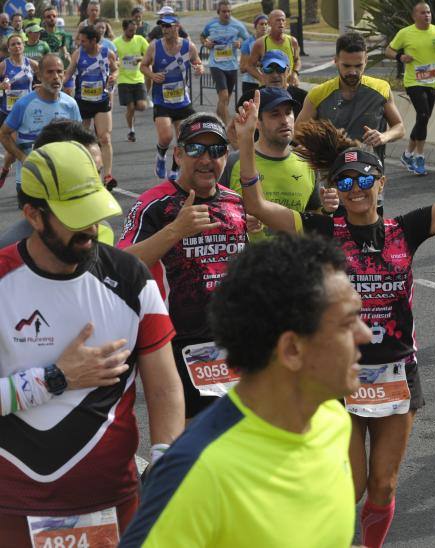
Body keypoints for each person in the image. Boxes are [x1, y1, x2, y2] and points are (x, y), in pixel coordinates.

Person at [237, 82, 435, 548]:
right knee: (349, 487)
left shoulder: (405, 229)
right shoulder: (321, 229)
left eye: (363, 180)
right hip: (340, 374)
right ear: (336, 188)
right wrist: (246, 147)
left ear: (381, 183)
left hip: (396, 373)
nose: (354, 190)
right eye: (344, 183)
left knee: (384, 486)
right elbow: (255, 206)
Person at [119, 234, 367, 547]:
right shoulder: (198, 470)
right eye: (347, 324)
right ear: (291, 349)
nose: (366, 334)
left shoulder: (332, 420)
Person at [0, 140, 184, 545]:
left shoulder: (132, 277)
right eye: (74, 217)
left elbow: (164, 385)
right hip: (13, 511)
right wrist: (53, 379)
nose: (89, 228)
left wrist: (166, 462)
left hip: (114, 504)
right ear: (33, 214)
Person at [118, 113, 249, 420]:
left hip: (233, 343)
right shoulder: (154, 204)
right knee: (188, 450)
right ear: (177, 154)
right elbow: (120, 266)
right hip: (177, 345)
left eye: (216, 150)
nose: (207, 159)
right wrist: (174, 231)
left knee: (234, 446)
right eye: (196, 150)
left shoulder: (234, 203)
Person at [221, 87, 335, 243]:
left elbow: (311, 218)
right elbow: (215, 211)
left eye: (288, 112)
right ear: (257, 122)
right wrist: (239, 221)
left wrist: (326, 210)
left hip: (295, 261)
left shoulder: (308, 163)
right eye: (275, 114)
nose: (284, 120)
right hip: (247, 263)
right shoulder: (233, 162)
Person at [0, 118, 112, 248]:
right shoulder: (8, 255)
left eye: (98, 172)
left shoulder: (105, 231)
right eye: (83, 173)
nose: (98, 184)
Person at [298, 32, 404, 168]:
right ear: (336, 60)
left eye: (358, 66)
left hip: (370, 175)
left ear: (366, 60)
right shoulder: (318, 94)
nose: (353, 72)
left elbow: (399, 127)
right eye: (346, 66)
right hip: (332, 177)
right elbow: (298, 134)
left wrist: (383, 137)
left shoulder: (381, 89)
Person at [385, 2, 435, 176]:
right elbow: (389, 50)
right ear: (414, 16)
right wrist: (401, 56)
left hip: (432, 83)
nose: (427, 15)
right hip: (413, 82)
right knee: (422, 115)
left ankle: (407, 154)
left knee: (423, 119)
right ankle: (419, 157)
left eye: (429, 12)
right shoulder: (405, 33)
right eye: (423, 13)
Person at [0, 54, 80, 191]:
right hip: (30, 179)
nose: (56, 76)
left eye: (59, 71)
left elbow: (79, 138)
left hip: (61, 178)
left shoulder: (70, 104)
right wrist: (23, 157)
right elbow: (3, 134)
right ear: (40, 76)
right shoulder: (24, 104)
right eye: (50, 72)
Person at [140, 12, 203, 181]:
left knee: (183, 138)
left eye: (168, 25)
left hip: (182, 100)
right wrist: (152, 76)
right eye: (162, 26)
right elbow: (143, 66)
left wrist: (199, 69)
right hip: (162, 100)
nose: (164, 29)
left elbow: (198, 63)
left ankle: (176, 167)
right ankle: (161, 156)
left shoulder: (189, 46)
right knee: (166, 136)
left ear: (177, 26)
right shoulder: (154, 46)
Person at [66, 25, 118, 190]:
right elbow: (68, 73)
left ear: (93, 40)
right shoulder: (78, 54)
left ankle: (107, 176)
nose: (80, 44)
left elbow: (116, 69)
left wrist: (113, 77)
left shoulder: (106, 53)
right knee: (81, 140)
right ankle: (86, 172)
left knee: (105, 138)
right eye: (79, 41)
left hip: (101, 101)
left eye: (83, 41)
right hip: (83, 101)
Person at [200, 0, 248, 125]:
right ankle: (227, 127)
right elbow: (202, 36)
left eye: (229, 11)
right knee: (224, 96)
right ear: (218, 12)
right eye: (224, 12)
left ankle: (215, 119)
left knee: (225, 100)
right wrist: (206, 43)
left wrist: (240, 44)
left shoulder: (238, 25)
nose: (227, 14)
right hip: (216, 65)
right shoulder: (211, 25)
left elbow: (248, 40)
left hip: (232, 65)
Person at [0, 34, 36, 188]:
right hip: (9, 113)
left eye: (19, 44)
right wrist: (1, 86)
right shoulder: (4, 65)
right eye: (13, 44)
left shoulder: (32, 64)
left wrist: (41, 87)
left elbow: (46, 76)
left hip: (27, 112)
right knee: (21, 146)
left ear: (23, 46)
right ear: (8, 48)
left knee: (14, 153)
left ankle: (5, 169)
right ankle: (24, 184)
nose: (16, 46)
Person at [244, 9, 301, 89]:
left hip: (289, 87)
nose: (281, 22)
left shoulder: (292, 41)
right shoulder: (260, 43)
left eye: (283, 20)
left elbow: (297, 60)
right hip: (270, 88)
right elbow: (249, 66)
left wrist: (295, 74)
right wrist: (262, 78)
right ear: (269, 23)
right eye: (277, 20)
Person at [114, 18, 149, 142]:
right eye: (130, 31)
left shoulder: (140, 40)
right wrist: (117, 63)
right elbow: (113, 58)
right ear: (124, 29)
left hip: (138, 78)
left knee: (142, 106)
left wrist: (139, 58)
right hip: (123, 79)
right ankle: (131, 131)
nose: (133, 33)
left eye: (134, 30)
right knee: (130, 107)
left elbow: (149, 54)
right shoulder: (116, 42)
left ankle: (132, 113)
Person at [240, 13, 268, 96]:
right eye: (261, 24)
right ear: (255, 26)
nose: (264, 26)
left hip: (268, 82)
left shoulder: (272, 41)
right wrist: (257, 63)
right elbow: (242, 68)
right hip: (250, 83)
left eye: (266, 24)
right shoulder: (248, 43)